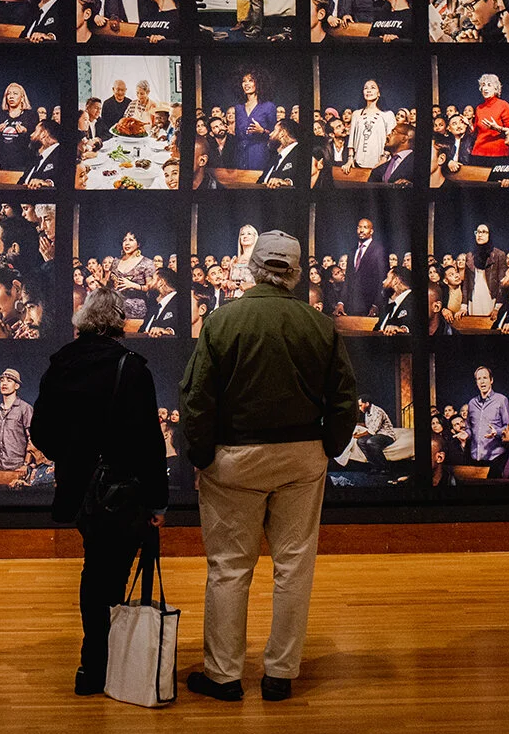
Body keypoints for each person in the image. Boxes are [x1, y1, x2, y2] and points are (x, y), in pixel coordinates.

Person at [179, 230, 358, 702]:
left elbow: (196, 397)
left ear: (252, 267)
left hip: (233, 460)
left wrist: (200, 455)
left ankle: (224, 676)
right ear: (296, 274)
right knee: (294, 567)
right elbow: (344, 397)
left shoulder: (221, 321)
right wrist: (328, 448)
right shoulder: (319, 324)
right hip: (302, 456)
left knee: (228, 569)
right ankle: (280, 675)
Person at [29, 287, 168, 696]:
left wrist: (73, 457)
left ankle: (92, 667)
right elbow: (149, 441)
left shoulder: (61, 365)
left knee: (95, 571)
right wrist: (158, 500)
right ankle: (113, 665)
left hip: (80, 489)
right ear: (119, 324)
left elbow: (40, 431)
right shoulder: (133, 368)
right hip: (124, 490)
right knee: (114, 574)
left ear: (83, 322)